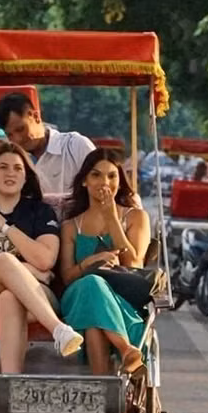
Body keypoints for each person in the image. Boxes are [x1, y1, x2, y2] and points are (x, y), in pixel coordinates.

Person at [0, 142, 84, 373]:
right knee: (4, 261)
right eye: (3, 167)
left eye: (18, 168)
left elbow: (45, 260)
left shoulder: (41, 212)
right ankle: (58, 330)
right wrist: (28, 270)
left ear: (26, 177)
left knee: (9, 296)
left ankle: (9, 382)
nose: (10, 173)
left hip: (37, 295)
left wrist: (4, 227)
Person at [59, 148, 151, 377]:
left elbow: (134, 262)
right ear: (84, 182)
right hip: (77, 295)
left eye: (112, 176)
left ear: (120, 181)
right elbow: (67, 276)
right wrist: (92, 261)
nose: (105, 182)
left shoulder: (136, 217)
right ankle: (125, 349)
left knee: (94, 324)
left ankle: (102, 394)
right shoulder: (71, 226)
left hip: (121, 299)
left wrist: (112, 218)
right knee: (92, 284)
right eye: (96, 175)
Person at [0, 92, 95, 195]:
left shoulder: (76, 146)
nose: (17, 139)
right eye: (10, 135)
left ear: (35, 116)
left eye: (21, 129)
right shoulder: (11, 162)